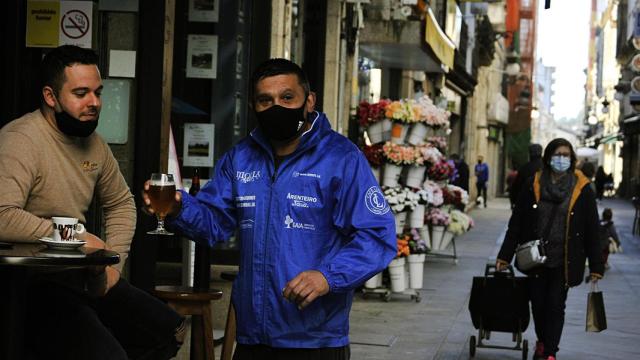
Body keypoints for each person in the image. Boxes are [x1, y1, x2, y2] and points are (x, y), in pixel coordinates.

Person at [143, 58, 396, 359]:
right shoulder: (240, 159)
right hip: (253, 338)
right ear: (253, 106)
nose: (276, 107)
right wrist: (177, 209)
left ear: (309, 101)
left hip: (315, 341)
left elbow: (377, 235)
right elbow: (214, 224)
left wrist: (327, 277)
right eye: (266, 100)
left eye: (287, 98)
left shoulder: (342, 159)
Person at [0, 45, 184, 359]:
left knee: (167, 331)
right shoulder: (21, 139)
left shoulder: (94, 145)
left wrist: (114, 262)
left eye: (98, 92)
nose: (95, 103)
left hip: (81, 275)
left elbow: (121, 203)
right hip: (31, 283)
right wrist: (78, 238)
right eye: (81, 93)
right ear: (50, 96)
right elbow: (3, 216)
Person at [496, 138, 604, 360]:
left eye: (566, 155)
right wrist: (504, 255)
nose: (561, 159)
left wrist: (596, 265)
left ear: (572, 159)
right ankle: (543, 342)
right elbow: (516, 222)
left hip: (565, 260)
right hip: (536, 258)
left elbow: (592, 229)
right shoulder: (533, 183)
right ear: (548, 157)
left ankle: (550, 352)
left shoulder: (582, 189)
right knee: (538, 304)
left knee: (555, 305)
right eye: (557, 154)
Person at [509, 143, 543, 209]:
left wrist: (514, 202)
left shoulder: (524, 168)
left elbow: (517, 186)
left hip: (526, 203)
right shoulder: (546, 167)